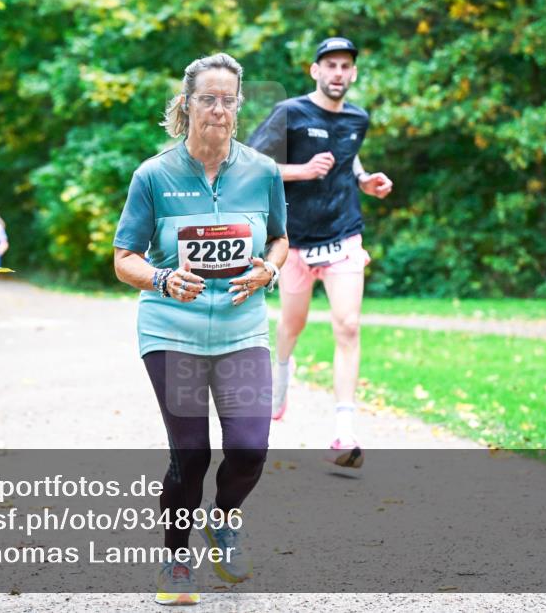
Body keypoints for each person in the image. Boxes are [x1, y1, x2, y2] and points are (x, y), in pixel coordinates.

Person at [113, 53, 288, 606]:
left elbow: (281, 239)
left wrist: (271, 268)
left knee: (249, 448)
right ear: (186, 105)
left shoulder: (262, 172)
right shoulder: (154, 175)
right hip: (173, 332)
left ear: (239, 106)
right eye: (207, 98)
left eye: (228, 100)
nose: (218, 109)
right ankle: (176, 558)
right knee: (190, 454)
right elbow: (124, 258)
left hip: (242, 331)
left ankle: (225, 519)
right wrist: (164, 280)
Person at [247, 37, 393, 467]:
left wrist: (365, 180)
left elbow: (349, 158)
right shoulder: (290, 112)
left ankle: (344, 430)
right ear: (315, 71)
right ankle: (280, 382)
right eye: (330, 65)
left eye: (346, 66)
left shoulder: (357, 118)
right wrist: (302, 171)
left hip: (344, 234)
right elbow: (252, 163)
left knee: (348, 326)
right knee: (292, 325)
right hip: (293, 240)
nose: (338, 73)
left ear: (354, 73)